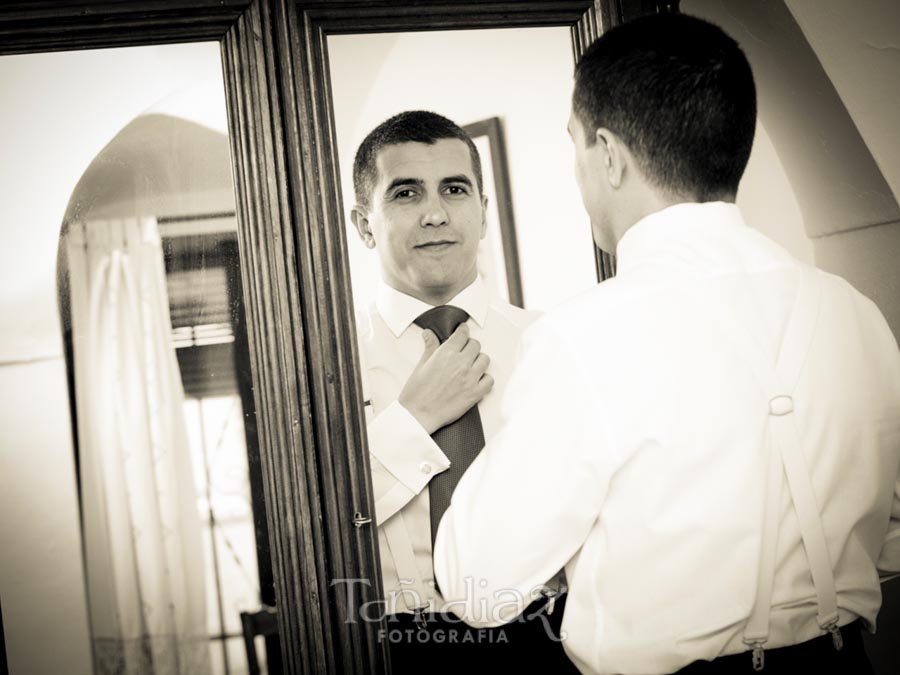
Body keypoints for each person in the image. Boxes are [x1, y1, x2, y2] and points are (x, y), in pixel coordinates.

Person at [433, 13, 900, 675]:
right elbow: (891, 540)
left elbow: (478, 580)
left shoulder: (579, 338)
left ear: (610, 154)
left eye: (576, 148)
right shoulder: (856, 313)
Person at [349, 110, 575, 672]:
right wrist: (412, 420)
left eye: (455, 189)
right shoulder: (329, 364)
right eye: (405, 193)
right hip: (399, 648)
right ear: (364, 224)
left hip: (553, 636)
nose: (435, 213)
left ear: (483, 211)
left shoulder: (551, 343)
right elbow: (317, 520)